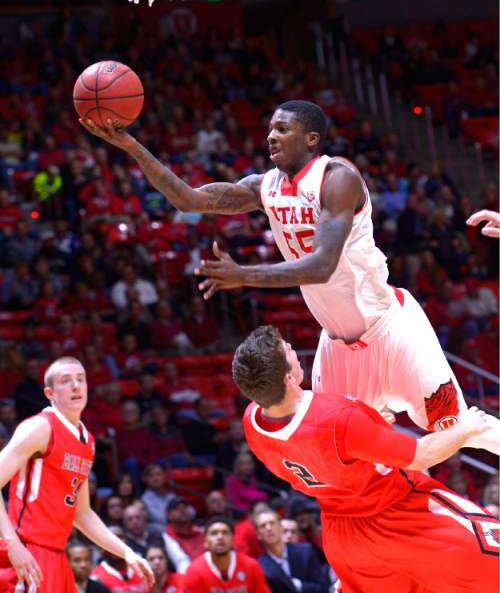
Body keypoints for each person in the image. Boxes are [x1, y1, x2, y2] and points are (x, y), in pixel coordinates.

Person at [80, 103, 499, 455]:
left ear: (311, 139)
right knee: (334, 453)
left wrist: (243, 274)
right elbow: (187, 198)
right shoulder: (266, 187)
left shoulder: (338, 179)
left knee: (460, 430)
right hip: (337, 346)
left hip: (392, 328)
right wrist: (130, 146)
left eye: (283, 128)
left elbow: (322, 266)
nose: (271, 136)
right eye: (269, 129)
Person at [232, 325, 499, 593]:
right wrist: (465, 428)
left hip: (345, 537)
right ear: (288, 378)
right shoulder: (337, 419)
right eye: (288, 350)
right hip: (399, 514)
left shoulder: (253, 422)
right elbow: (423, 455)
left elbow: (318, 458)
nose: (293, 348)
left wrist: (369, 431)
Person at [0, 356, 153, 593]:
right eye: (66, 381)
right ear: (50, 393)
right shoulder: (39, 427)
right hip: (27, 550)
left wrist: (126, 552)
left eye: (80, 379)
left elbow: (82, 514)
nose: (75, 386)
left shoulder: (87, 441)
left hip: (58, 557)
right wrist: (12, 545)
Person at [184, 517, 302, 593]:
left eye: (225, 533)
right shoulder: (194, 570)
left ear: (233, 539)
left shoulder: (250, 564)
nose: (220, 537)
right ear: (205, 542)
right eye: (214, 533)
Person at [255, 510, 346, 593]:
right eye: (263, 526)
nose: (269, 528)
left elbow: (323, 588)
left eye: (272, 523)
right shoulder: (260, 565)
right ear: (258, 534)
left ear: (281, 528)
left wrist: (299, 585)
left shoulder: (305, 551)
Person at [92, 524, 159, 593]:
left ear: (127, 542)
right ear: (101, 546)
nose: (116, 542)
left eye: (120, 537)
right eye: (111, 538)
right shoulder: (97, 578)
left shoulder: (143, 567)